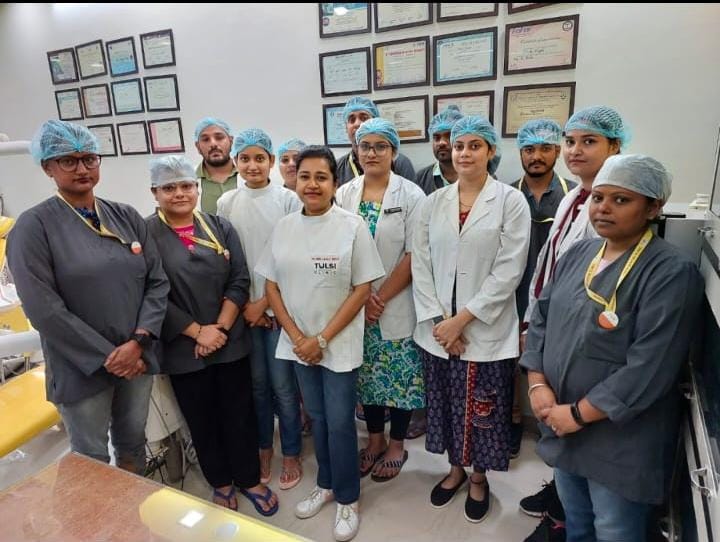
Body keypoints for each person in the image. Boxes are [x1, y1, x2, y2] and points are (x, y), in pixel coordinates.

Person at [520, 155, 703, 542]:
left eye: (621, 200)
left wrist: (577, 414)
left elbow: (649, 368)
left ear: (653, 207)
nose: (603, 208)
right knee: (577, 523)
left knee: (614, 530)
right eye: (598, 197)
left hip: (618, 440)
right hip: (562, 424)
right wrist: (537, 383)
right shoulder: (578, 255)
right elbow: (541, 319)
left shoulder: (670, 272)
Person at [6, 120, 169, 474]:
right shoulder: (33, 228)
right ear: (47, 167)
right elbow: (43, 309)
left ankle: (134, 508)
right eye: (68, 160)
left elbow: (157, 281)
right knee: (91, 460)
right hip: (80, 366)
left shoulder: (125, 216)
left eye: (89, 159)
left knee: (133, 444)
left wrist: (139, 341)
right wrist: (109, 356)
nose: (81, 168)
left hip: (137, 356)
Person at [257, 145, 385, 542]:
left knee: (341, 421)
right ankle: (326, 482)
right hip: (299, 346)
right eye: (305, 176)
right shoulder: (284, 227)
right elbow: (271, 286)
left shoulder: (352, 226)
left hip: (338, 344)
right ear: (295, 181)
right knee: (317, 416)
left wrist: (323, 338)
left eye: (321, 177)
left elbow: (362, 288)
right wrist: (299, 338)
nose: (312, 184)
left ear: (334, 182)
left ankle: (347, 497)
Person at [412, 116, 531, 523]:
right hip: (437, 333)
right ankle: (455, 470)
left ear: (491, 151)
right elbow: (421, 265)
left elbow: (509, 270)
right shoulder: (432, 203)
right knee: (445, 405)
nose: (464, 153)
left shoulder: (511, 201)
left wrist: (461, 321)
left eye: (474, 145)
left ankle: (478, 478)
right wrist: (439, 321)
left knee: (483, 410)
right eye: (459, 145)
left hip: (484, 331)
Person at [145, 155, 278, 516]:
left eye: (185, 185)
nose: (179, 193)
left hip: (228, 338)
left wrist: (218, 328)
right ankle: (220, 481)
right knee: (201, 417)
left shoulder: (219, 226)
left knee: (239, 412)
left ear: (196, 187)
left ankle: (249, 478)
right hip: (182, 345)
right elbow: (151, 291)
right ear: (155, 192)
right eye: (169, 188)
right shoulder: (146, 234)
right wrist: (197, 332)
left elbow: (239, 278)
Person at [520, 106, 629, 542]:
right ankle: (561, 503)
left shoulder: (611, 207)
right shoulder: (573, 198)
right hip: (553, 325)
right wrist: (533, 323)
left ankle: (564, 516)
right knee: (558, 425)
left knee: (578, 428)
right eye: (570, 141)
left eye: (589, 141)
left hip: (585, 338)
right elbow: (550, 267)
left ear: (615, 146)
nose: (575, 150)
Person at [336, 118, 426, 482]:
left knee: (400, 378)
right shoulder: (344, 194)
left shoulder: (412, 195)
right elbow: (337, 248)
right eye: (365, 146)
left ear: (394, 152)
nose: (372, 153)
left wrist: (379, 297)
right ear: (356, 151)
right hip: (356, 303)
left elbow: (415, 254)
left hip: (395, 302)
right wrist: (362, 298)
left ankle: (396, 446)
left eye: (380, 146)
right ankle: (374, 441)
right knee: (368, 378)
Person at [216, 128, 304, 490]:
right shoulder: (227, 203)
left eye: (260, 158)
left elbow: (293, 257)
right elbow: (228, 260)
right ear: (235, 161)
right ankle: (264, 448)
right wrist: (245, 308)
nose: (252, 165)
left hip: (278, 309)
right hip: (244, 312)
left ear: (271, 161)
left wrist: (266, 305)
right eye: (245, 158)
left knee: (284, 387)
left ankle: (292, 451)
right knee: (257, 387)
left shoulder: (287, 199)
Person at [509, 119, 577, 458]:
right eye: (529, 149)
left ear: (557, 151)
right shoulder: (506, 194)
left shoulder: (573, 197)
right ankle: (512, 419)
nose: (536, 156)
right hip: (511, 291)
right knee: (508, 361)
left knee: (552, 362)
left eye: (545, 149)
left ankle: (553, 425)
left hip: (557, 295)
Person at [408, 105, 464, 439]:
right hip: (428, 281)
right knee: (428, 355)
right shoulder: (421, 180)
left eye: (450, 136)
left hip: (469, 290)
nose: (443, 143)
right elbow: (417, 244)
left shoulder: (490, 186)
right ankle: (425, 414)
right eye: (437, 136)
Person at [336, 97, 415, 186]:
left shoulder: (401, 163)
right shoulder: (337, 167)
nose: (357, 123)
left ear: (376, 122)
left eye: (364, 118)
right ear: (346, 128)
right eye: (352, 119)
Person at [414, 105, 464, 195]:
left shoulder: (479, 175)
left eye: (449, 136)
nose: (441, 143)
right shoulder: (421, 178)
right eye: (436, 138)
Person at [194, 117, 237, 214]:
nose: (213, 144)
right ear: (198, 147)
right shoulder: (189, 179)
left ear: (231, 141)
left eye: (219, 137)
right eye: (206, 139)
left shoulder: (248, 174)